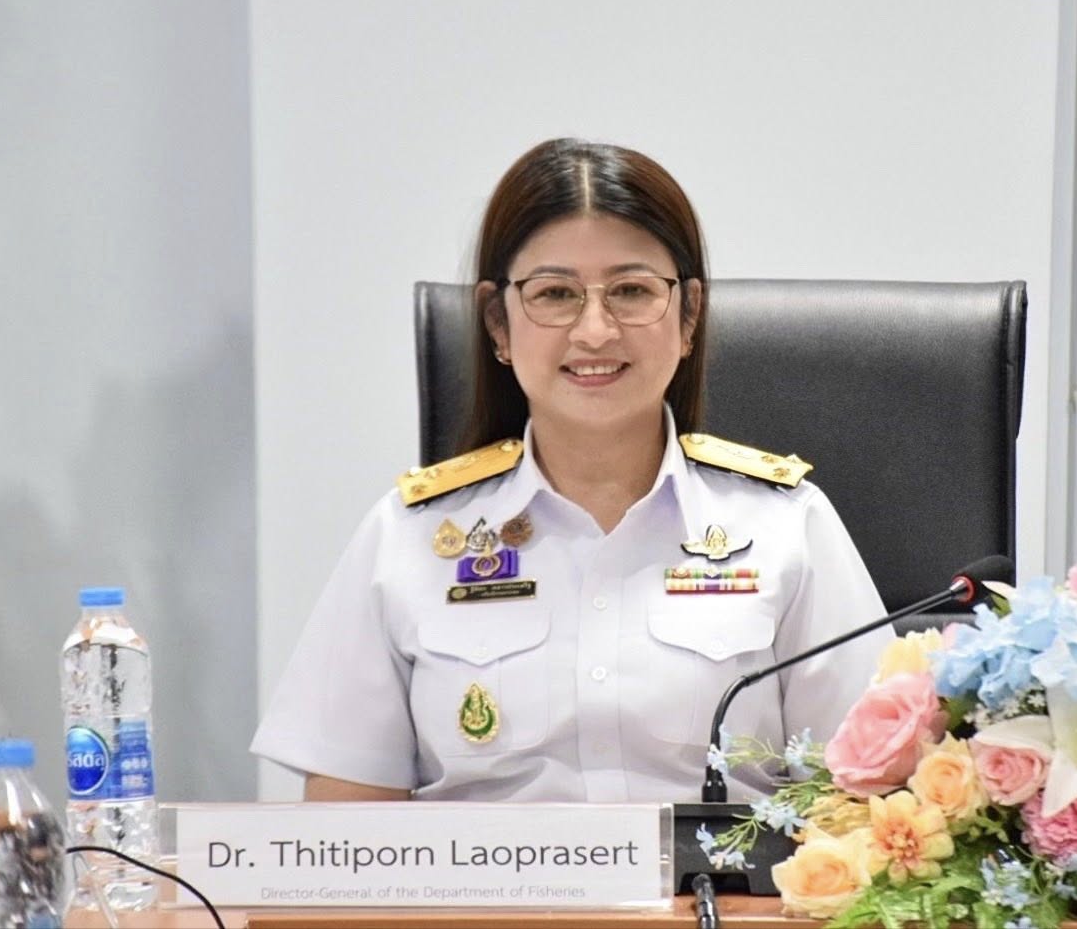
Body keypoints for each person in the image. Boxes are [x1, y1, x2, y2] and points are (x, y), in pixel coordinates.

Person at [251, 138, 894, 804]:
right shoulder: (408, 538)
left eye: (631, 291)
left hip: (721, 877)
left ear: (689, 317)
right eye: (555, 293)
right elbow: (345, 829)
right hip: (483, 878)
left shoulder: (787, 527)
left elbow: (870, 800)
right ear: (498, 325)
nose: (594, 331)